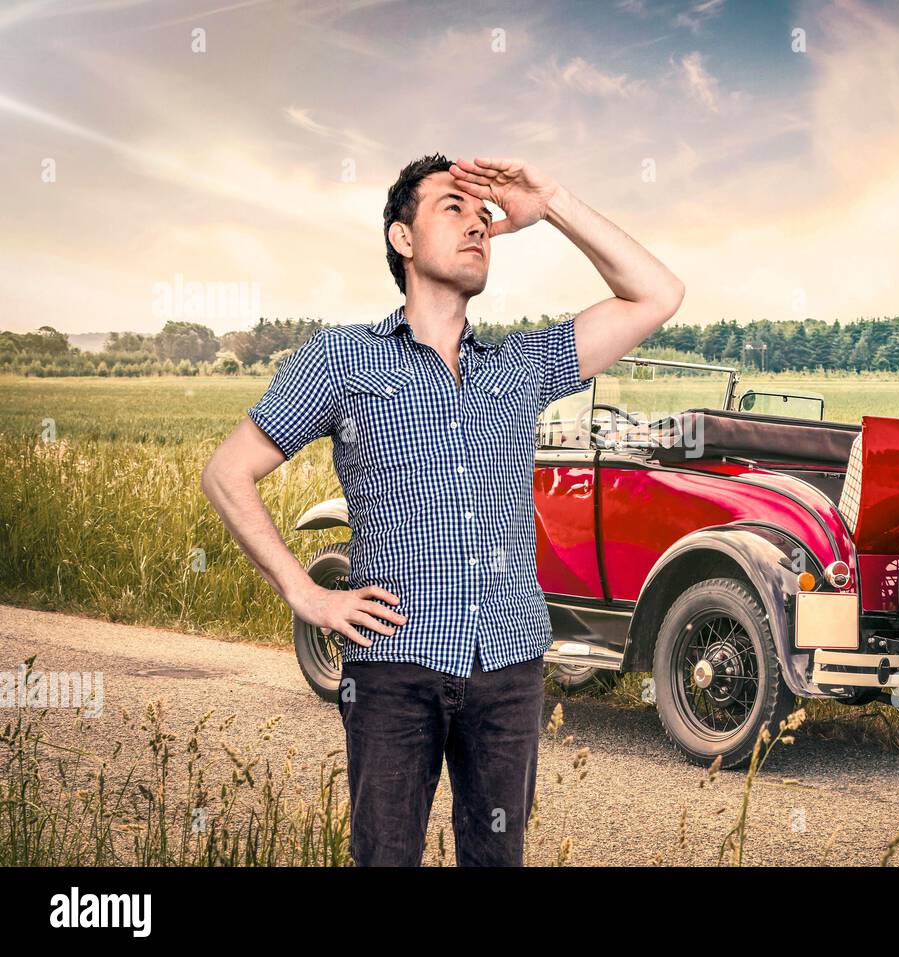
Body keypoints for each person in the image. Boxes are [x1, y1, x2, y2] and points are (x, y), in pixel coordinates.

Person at [201, 153, 685, 865]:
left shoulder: (520, 366)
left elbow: (658, 294)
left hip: (509, 668)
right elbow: (227, 473)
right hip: (393, 667)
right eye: (452, 209)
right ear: (402, 239)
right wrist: (306, 593)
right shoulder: (341, 360)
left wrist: (549, 200)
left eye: (483, 214)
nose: (478, 225)